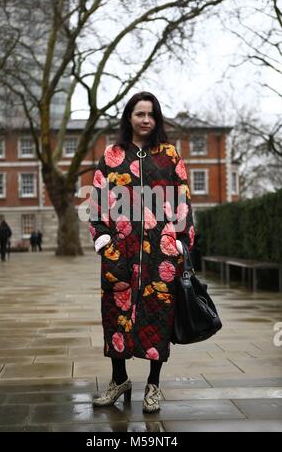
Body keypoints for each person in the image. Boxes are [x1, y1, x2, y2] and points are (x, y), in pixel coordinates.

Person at [88, 91, 195, 413]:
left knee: (158, 316)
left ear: (157, 118)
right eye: (140, 114)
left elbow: (183, 200)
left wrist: (180, 240)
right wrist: (103, 238)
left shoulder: (170, 156)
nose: (146, 120)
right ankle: (118, 380)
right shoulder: (112, 155)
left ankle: (154, 385)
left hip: (161, 254)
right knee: (115, 315)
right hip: (120, 251)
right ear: (129, 117)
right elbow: (97, 199)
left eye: (151, 114)